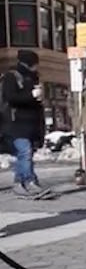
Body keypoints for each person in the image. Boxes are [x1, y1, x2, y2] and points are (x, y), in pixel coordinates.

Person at [3, 50, 47, 197]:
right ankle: (28, 182)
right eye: (35, 63)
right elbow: (11, 98)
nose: (37, 67)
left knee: (25, 154)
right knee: (24, 152)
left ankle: (21, 182)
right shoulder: (12, 76)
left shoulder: (34, 78)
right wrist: (31, 95)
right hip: (16, 123)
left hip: (32, 123)